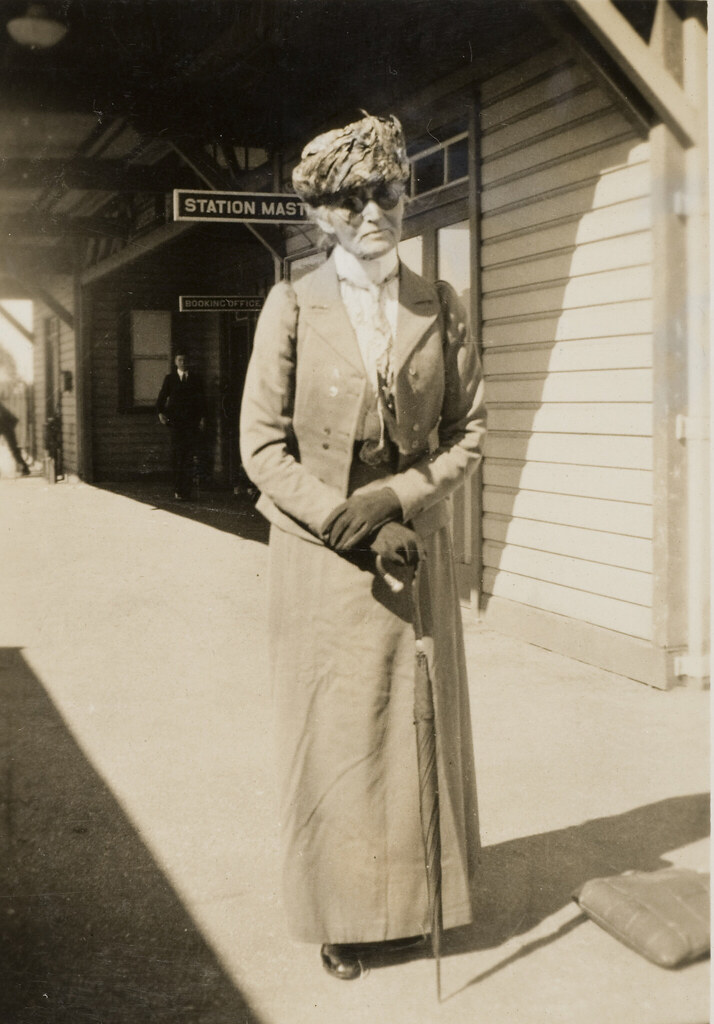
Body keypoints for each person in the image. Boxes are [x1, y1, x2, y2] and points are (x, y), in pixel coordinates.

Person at [239, 113, 486, 980]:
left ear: (406, 196)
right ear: (321, 214)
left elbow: (468, 433)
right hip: (321, 559)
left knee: (415, 729)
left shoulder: (440, 304)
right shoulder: (292, 303)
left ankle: (421, 906)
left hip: (411, 550)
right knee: (337, 736)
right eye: (351, 199)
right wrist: (343, 517)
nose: (372, 211)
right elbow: (261, 446)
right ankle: (340, 916)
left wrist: (400, 498)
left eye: (386, 192)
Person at [156, 350, 206, 500]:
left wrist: (203, 418)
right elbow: (161, 398)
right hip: (176, 423)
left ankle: (187, 491)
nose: (183, 363)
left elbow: (201, 401)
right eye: (180, 360)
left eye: (185, 360)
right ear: (175, 362)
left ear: (188, 361)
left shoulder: (196, 379)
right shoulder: (170, 379)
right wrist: (161, 413)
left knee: (189, 456)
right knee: (177, 455)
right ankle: (178, 490)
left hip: (192, 423)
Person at [0, 400, 30, 476]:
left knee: (13, 448)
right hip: (6, 424)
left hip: (6, 425)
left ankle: (24, 467)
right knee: (13, 448)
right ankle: (24, 467)